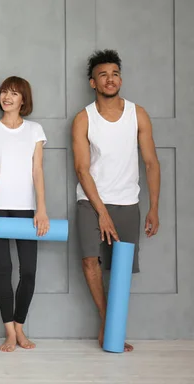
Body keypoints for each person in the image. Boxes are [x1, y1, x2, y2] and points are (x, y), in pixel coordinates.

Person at [72, 49, 161, 352]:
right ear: (92, 82)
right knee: (89, 261)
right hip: (91, 200)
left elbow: (151, 163)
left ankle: (110, 327)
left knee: (121, 268)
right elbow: (82, 169)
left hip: (127, 202)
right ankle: (108, 323)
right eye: (103, 75)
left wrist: (154, 208)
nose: (110, 79)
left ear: (119, 78)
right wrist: (101, 212)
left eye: (114, 73)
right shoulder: (84, 118)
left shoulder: (138, 114)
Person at [0, 76, 49, 352]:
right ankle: (9, 332)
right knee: (4, 269)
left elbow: (37, 171)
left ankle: (20, 326)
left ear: (23, 100)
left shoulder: (35, 130)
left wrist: (41, 209)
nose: (7, 97)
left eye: (14, 93)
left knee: (28, 270)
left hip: (27, 208)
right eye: (4, 92)